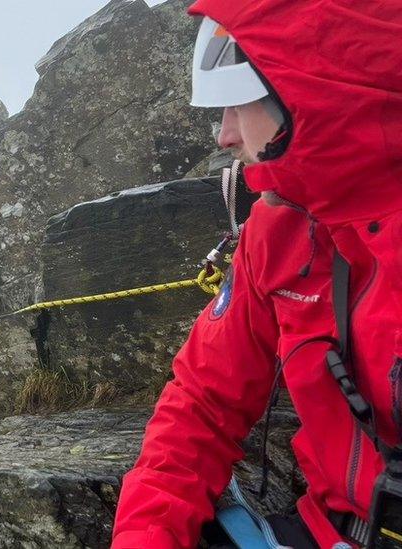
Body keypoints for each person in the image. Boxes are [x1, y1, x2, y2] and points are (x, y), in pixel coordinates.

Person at [112, 1, 402, 547]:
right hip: (331, 531)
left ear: (311, 94)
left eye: (236, 104)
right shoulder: (279, 230)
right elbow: (203, 401)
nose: (222, 135)